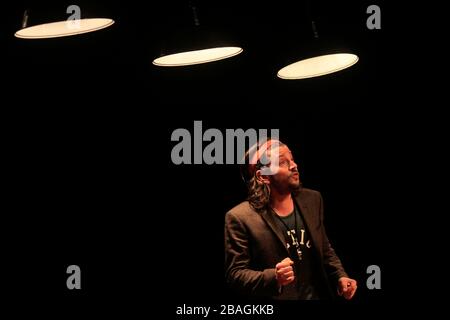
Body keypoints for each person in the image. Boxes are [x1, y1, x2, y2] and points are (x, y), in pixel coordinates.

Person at [224, 139, 357, 300]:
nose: (294, 165)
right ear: (263, 177)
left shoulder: (313, 199)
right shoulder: (240, 217)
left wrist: (340, 276)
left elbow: (324, 249)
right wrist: (274, 277)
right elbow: (235, 274)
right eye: (282, 162)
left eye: (292, 159)